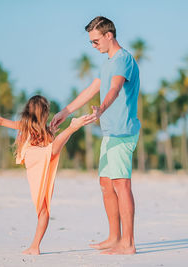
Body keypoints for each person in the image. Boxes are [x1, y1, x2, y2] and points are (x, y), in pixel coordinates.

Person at [50, 16, 140, 255]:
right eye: (91, 41)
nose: (93, 45)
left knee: (121, 184)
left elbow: (114, 88)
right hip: (110, 132)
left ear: (109, 35)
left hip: (123, 131)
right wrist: (64, 112)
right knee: (106, 184)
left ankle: (128, 243)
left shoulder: (123, 60)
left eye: (95, 40)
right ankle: (114, 237)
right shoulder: (108, 62)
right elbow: (92, 90)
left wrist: (102, 109)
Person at [0, 95, 91, 255]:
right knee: (44, 207)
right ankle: (35, 246)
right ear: (45, 113)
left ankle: (35, 247)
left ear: (28, 110)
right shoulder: (45, 130)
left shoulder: (26, 126)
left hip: (36, 162)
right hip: (42, 161)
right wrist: (54, 133)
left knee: (43, 208)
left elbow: (0, 121)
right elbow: (55, 148)